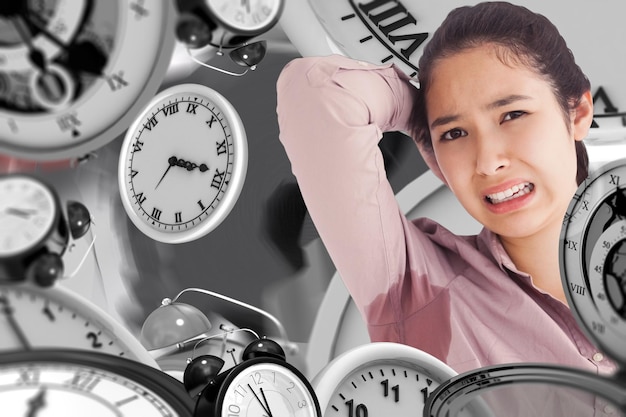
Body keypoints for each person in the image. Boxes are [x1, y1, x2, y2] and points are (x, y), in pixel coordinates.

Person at [276, 1, 617, 377]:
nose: (487, 161)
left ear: (579, 114)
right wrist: (420, 117)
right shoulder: (418, 292)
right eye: (454, 133)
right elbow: (318, 95)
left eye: (512, 115)